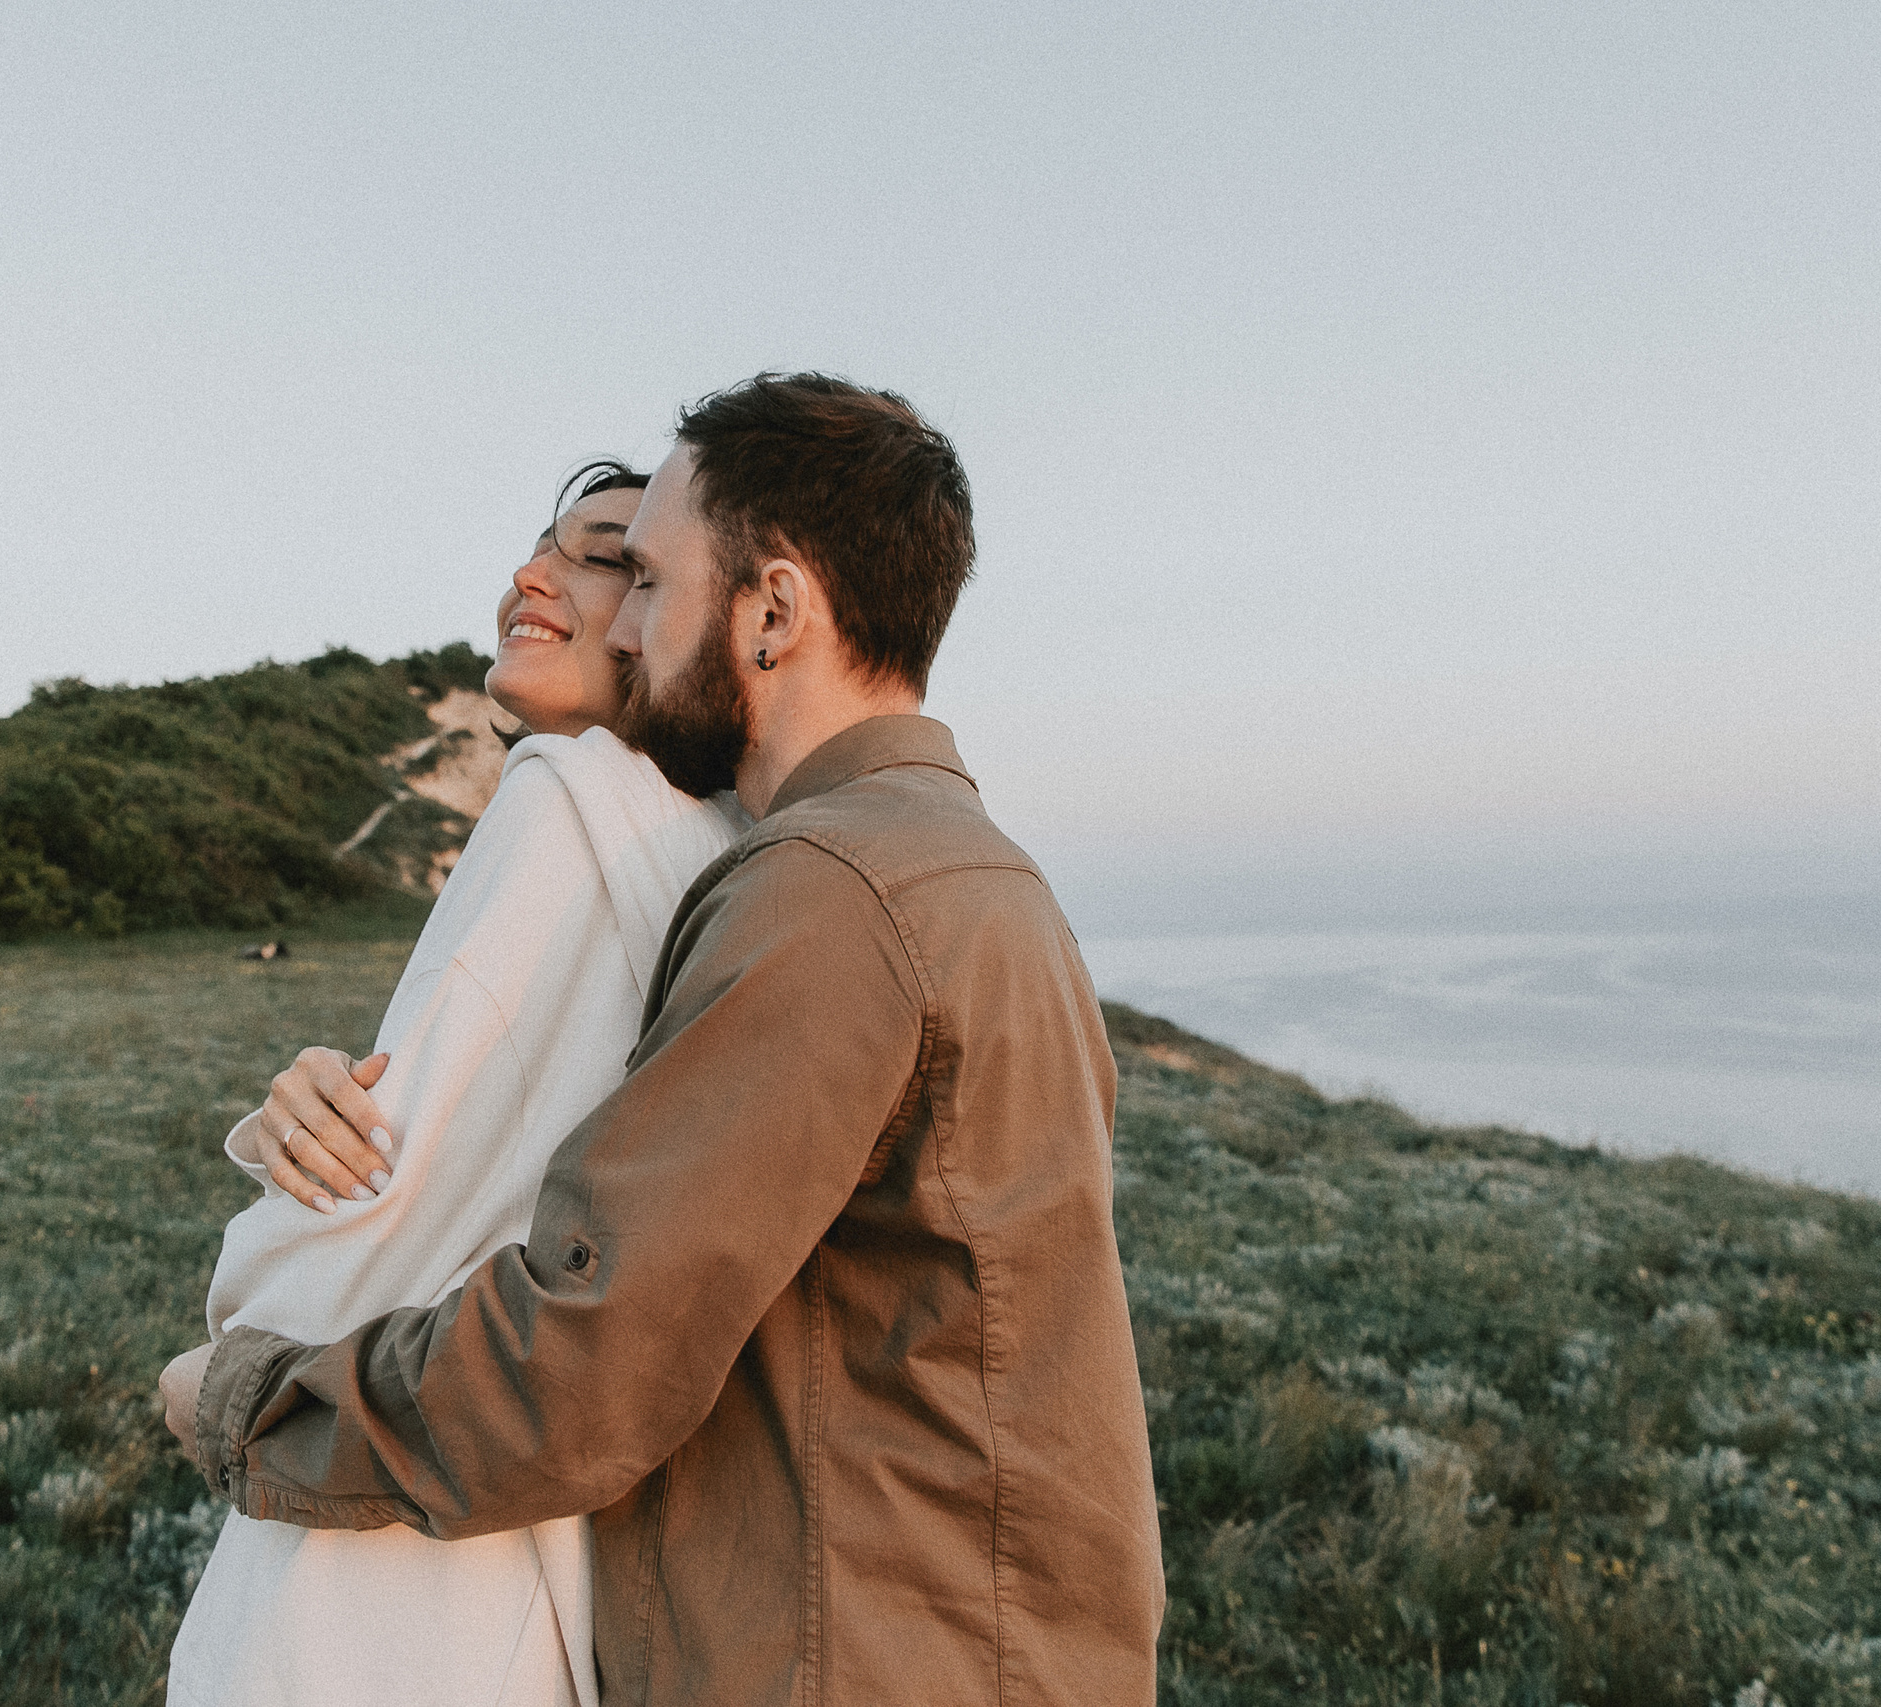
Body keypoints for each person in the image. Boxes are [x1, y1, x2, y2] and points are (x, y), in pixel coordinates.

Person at [163, 374, 1165, 1705]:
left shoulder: (824, 892)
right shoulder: (970, 873)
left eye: (649, 579)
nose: (628, 628)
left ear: (772, 609)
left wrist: (243, 1402)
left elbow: (580, 1367)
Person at [165, 463, 748, 1707]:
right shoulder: (715, 858)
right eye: (533, 546)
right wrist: (300, 1122)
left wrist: (222, 1350)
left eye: (600, 555)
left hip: (377, 1592)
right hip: (536, 1575)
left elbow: (360, 1234)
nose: (526, 578)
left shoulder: (565, 801)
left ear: (673, 606)